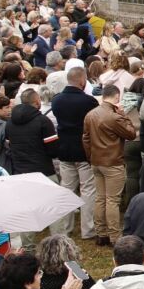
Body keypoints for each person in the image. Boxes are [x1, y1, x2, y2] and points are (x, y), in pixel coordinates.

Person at [82, 84, 138, 246]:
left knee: (100, 198)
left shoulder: (90, 115)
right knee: (112, 200)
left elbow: (85, 139)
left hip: (96, 161)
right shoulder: (114, 117)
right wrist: (124, 115)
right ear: (116, 97)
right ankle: (114, 236)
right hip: (113, 162)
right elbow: (131, 133)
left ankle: (101, 233)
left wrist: (90, 157)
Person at [49, 66, 99, 238]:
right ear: (82, 80)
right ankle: (88, 229)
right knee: (88, 190)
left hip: (64, 149)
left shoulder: (56, 101)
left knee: (67, 189)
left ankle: (65, 228)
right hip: (83, 150)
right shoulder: (89, 101)